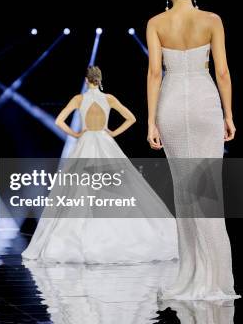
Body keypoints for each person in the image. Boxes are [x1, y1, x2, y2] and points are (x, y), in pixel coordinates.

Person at [146, 0, 239, 300]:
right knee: (207, 189)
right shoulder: (212, 21)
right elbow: (223, 72)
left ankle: (193, 276)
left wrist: (151, 120)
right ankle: (215, 279)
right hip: (204, 103)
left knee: (185, 193)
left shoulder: (156, 23)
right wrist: (229, 115)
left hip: (171, 105)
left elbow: (155, 74)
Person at [22, 66, 177, 263]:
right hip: (105, 142)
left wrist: (76, 134)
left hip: (86, 142)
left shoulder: (79, 99)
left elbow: (59, 121)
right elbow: (132, 118)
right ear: (100, 80)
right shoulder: (109, 98)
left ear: (87, 80)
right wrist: (112, 132)